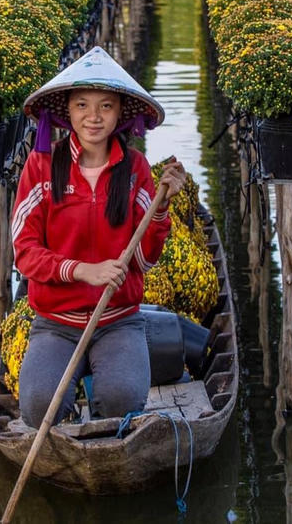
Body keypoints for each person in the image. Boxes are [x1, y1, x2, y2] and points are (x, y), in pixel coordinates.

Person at [11, 46, 186, 427]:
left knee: (122, 401)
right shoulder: (41, 166)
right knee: (39, 408)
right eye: (82, 105)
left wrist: (161, 207)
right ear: (67, 111)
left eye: (106, 106)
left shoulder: (135, 167)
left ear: (120, 112)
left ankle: (106, 389)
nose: (93, 117)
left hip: (119, 318)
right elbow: (24, 253)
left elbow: (145, 260)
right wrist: (80, 271)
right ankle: (71, 400)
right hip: (55, 320)